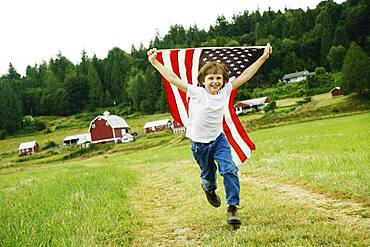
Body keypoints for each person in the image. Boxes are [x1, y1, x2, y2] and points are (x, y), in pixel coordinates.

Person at [147, 43, 272, 227]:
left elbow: (245, 75)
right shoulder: (197, 93)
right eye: (211, 78)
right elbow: (173, 78)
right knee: (209, 178)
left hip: (219, 139)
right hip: (200, 145)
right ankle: (209, 190)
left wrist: (263, 57)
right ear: (203, 81)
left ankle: (232, 208)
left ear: (223, 80)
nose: (215, 81)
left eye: (218, 78)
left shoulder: (225, 91)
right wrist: (155, 62)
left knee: (229, 169)